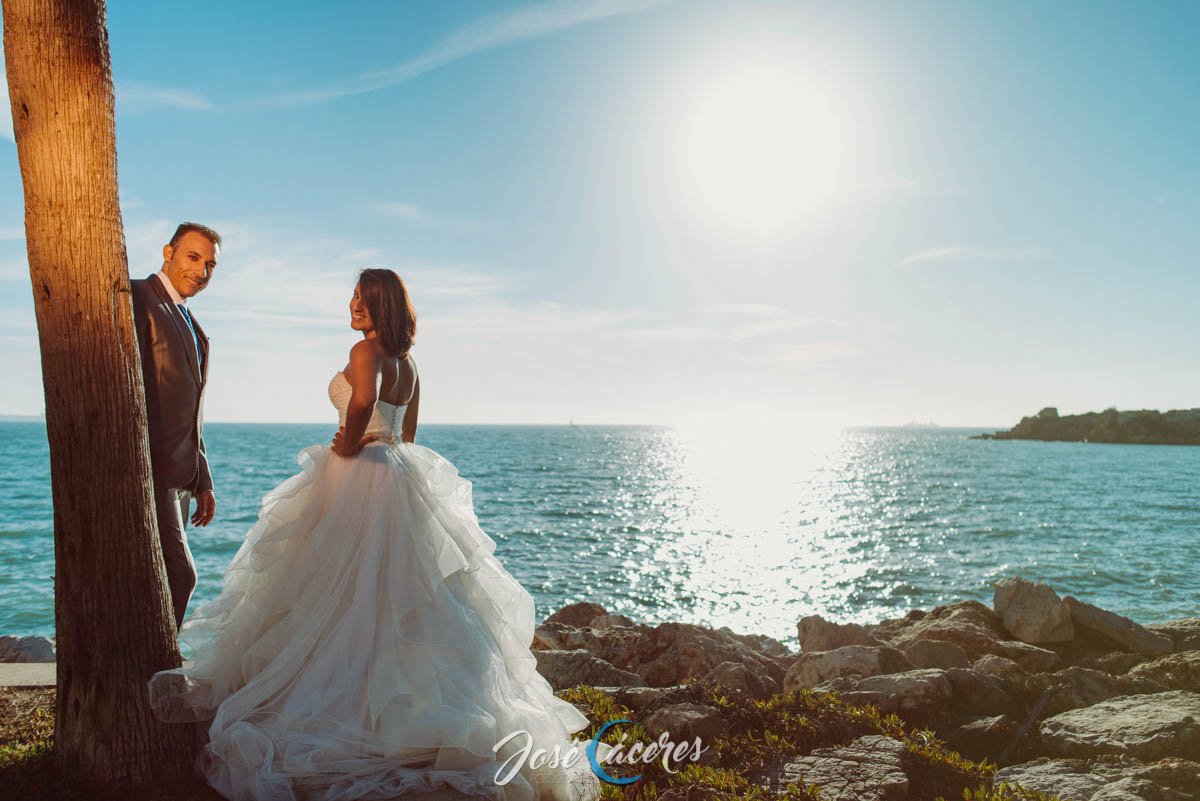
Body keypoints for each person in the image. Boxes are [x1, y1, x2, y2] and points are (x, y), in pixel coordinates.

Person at [147, 269, 607, 801]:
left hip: (360, 470)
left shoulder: (365, 353)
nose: (354, 306)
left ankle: (352, 708)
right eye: (354, 298)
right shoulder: (408, 364)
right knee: (395, 596)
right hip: (396, 471)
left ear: (382, 306)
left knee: (339, 593)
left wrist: (345, 445)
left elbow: (361, 402)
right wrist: (375, 444)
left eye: (364, 300)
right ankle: (398, 707)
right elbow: (407, 433)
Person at [131, 221, 221, 630]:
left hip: (182, 475)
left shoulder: (192, 323)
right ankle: (159, 670)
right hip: (150, 469)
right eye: (193, 257)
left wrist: (203, 479)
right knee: (182, 576)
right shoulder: (138, 298)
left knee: (163, 579)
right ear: (168, 253)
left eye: (211, 265)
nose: (201, 272)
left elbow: (192, 410)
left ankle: (152, 671)